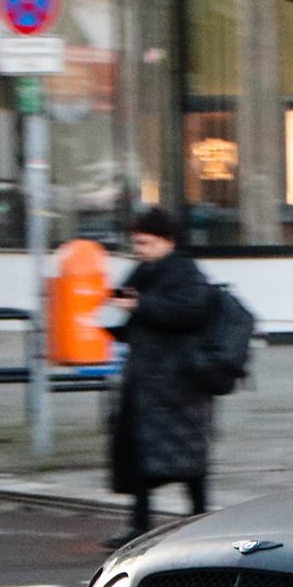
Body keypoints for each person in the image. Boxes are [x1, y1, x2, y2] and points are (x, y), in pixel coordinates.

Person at [104, 206, 218, 550]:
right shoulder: (142, 271)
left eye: (145, 243)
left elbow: (187, 312)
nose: (139, 250)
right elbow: (135, 310)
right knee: (141, 450)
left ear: (166, 241)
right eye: (136, 244)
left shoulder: (185, 271)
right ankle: (139, 522)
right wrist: (112, 319)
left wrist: (139, 307)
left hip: (178, 380)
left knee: (186, 453)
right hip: (144, 377)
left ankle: (199, 514)